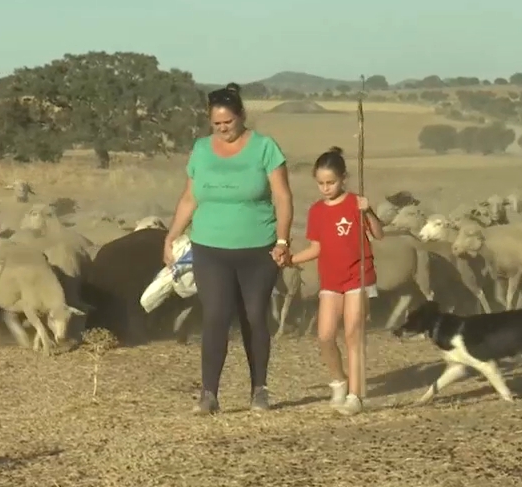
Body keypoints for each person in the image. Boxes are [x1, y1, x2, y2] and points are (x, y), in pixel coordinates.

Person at [163, 82, 294, 414]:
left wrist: (282, 239)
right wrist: (171, 235)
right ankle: (209, 394)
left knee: (254, 317)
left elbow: (282, 196)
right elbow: (190, 197)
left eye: (228, 123)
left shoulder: (265, 148)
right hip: (210, 247)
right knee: (216, 316)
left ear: (242, 116)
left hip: (257, 249)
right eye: (216, 124)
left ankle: (259, 390)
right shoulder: (202, 149)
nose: (223, 129)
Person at [289, 146, 384, 416]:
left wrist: (370, 212)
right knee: (325, 335)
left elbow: (379, 235)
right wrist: (291, 260)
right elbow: (316, 247)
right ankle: (339, 381)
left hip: (358, 275)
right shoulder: (317, 211)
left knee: (353, 333)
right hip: (331, 280)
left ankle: (355, 395)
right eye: (320, 183)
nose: (326, 188)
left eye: (331, 182)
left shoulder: (356, 203)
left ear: (343, 178)